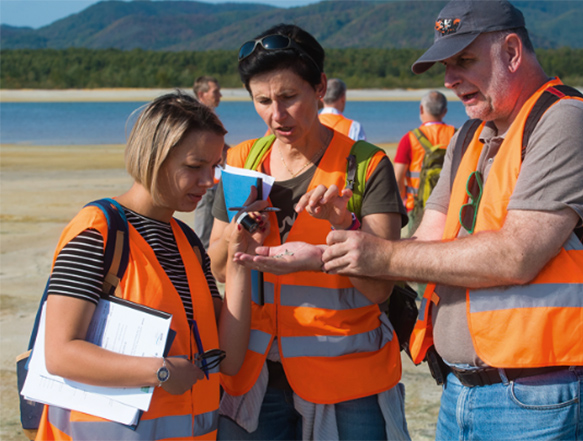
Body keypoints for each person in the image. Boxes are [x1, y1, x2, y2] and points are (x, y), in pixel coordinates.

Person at [321, 1, 583, 440]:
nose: (449, 80)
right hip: (460, 391)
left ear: (511, 51)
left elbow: (516, 255)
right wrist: (352, 239)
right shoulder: (470, 135)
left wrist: (381, 254)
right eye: (446, 66)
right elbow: (424, 244)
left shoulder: (567, 123)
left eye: (464, 61)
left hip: (545, 395)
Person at [207, 24, 409, 440]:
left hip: (349, 377)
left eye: (288, 98)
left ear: (319, 87)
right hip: (256, 376)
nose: (276, 116)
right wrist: (240, 239)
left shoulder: (366, 166)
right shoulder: (242, 160)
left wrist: (344, 226)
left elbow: (380, 290)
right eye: (262, 101)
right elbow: (220, 267)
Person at [35, 92, 267, 440]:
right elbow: (60, 354)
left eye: (215, 166)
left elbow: (228, 360)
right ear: (154, 158)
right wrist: (157, 371)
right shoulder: (97, 231)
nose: (210, 181)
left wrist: (238, 261)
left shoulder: (187, 241)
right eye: (194, 166)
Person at [393, 90, 455, 231]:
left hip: (416, 206)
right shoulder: (457, 135)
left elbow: (398, 178)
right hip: (450, 207)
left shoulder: (409, 139)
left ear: (421, 109)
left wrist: (401, 203)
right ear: (444, 111)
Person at [192, 75, 227, 249]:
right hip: (207, 185)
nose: (219, 95)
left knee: (213, 235)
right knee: (203, 236)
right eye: (215, 91)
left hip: (215, 183)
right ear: (202, 94)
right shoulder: (199, 120)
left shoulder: (209, 118)